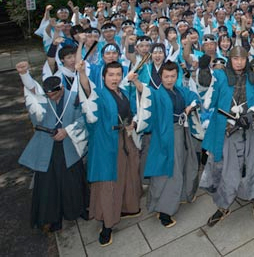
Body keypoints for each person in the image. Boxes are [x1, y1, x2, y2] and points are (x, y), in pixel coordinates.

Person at [201, 46, 254, 227]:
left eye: (242, 58)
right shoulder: (220, 77)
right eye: (235, 59)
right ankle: (224, 205)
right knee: (226, 169)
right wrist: (204, 72)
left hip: (250, 130)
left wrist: (251, 116)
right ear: (230, 59)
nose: (239, 62)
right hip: (226, 131)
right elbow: (210, 101)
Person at [16, 63, 88, 233]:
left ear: (61, 88)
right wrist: (24, 74)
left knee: (74, 180)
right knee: (49, 184)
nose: (53, 98)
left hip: (70, 146)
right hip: (48, 147)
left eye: (55, 94)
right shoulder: (45, 99)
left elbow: (84, 119)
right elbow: (32, 88)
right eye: (49, 95)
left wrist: (67, 131)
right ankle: (52, 217)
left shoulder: (75, 97)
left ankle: (78, 209)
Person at [77, 61, 142, 246]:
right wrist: (82, 72)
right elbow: (86, 89)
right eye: (111, 75)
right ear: (103, 76)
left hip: (124, 138)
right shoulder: (99, 95)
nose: (115, 78)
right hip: (106, 143)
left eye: (118, 74)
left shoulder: (121, 92)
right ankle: (107, 224)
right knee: (109, 182)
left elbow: (128, 113)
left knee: (128, 174)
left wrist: (132, 123)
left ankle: (126, 207)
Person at [134, 60, 200, 228]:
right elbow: (145, 92)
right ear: (160, 77)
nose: (169, 79)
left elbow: (194, 97)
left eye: (172, 76)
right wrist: (136, 82)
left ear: (177, 76)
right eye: (166, 76)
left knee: (183, 165)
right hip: (165, 135)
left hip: (180, 133)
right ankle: (164, 210)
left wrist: (190, 107)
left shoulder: (179, 91)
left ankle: (179, 196)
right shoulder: (157, 93)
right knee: (170, 172)